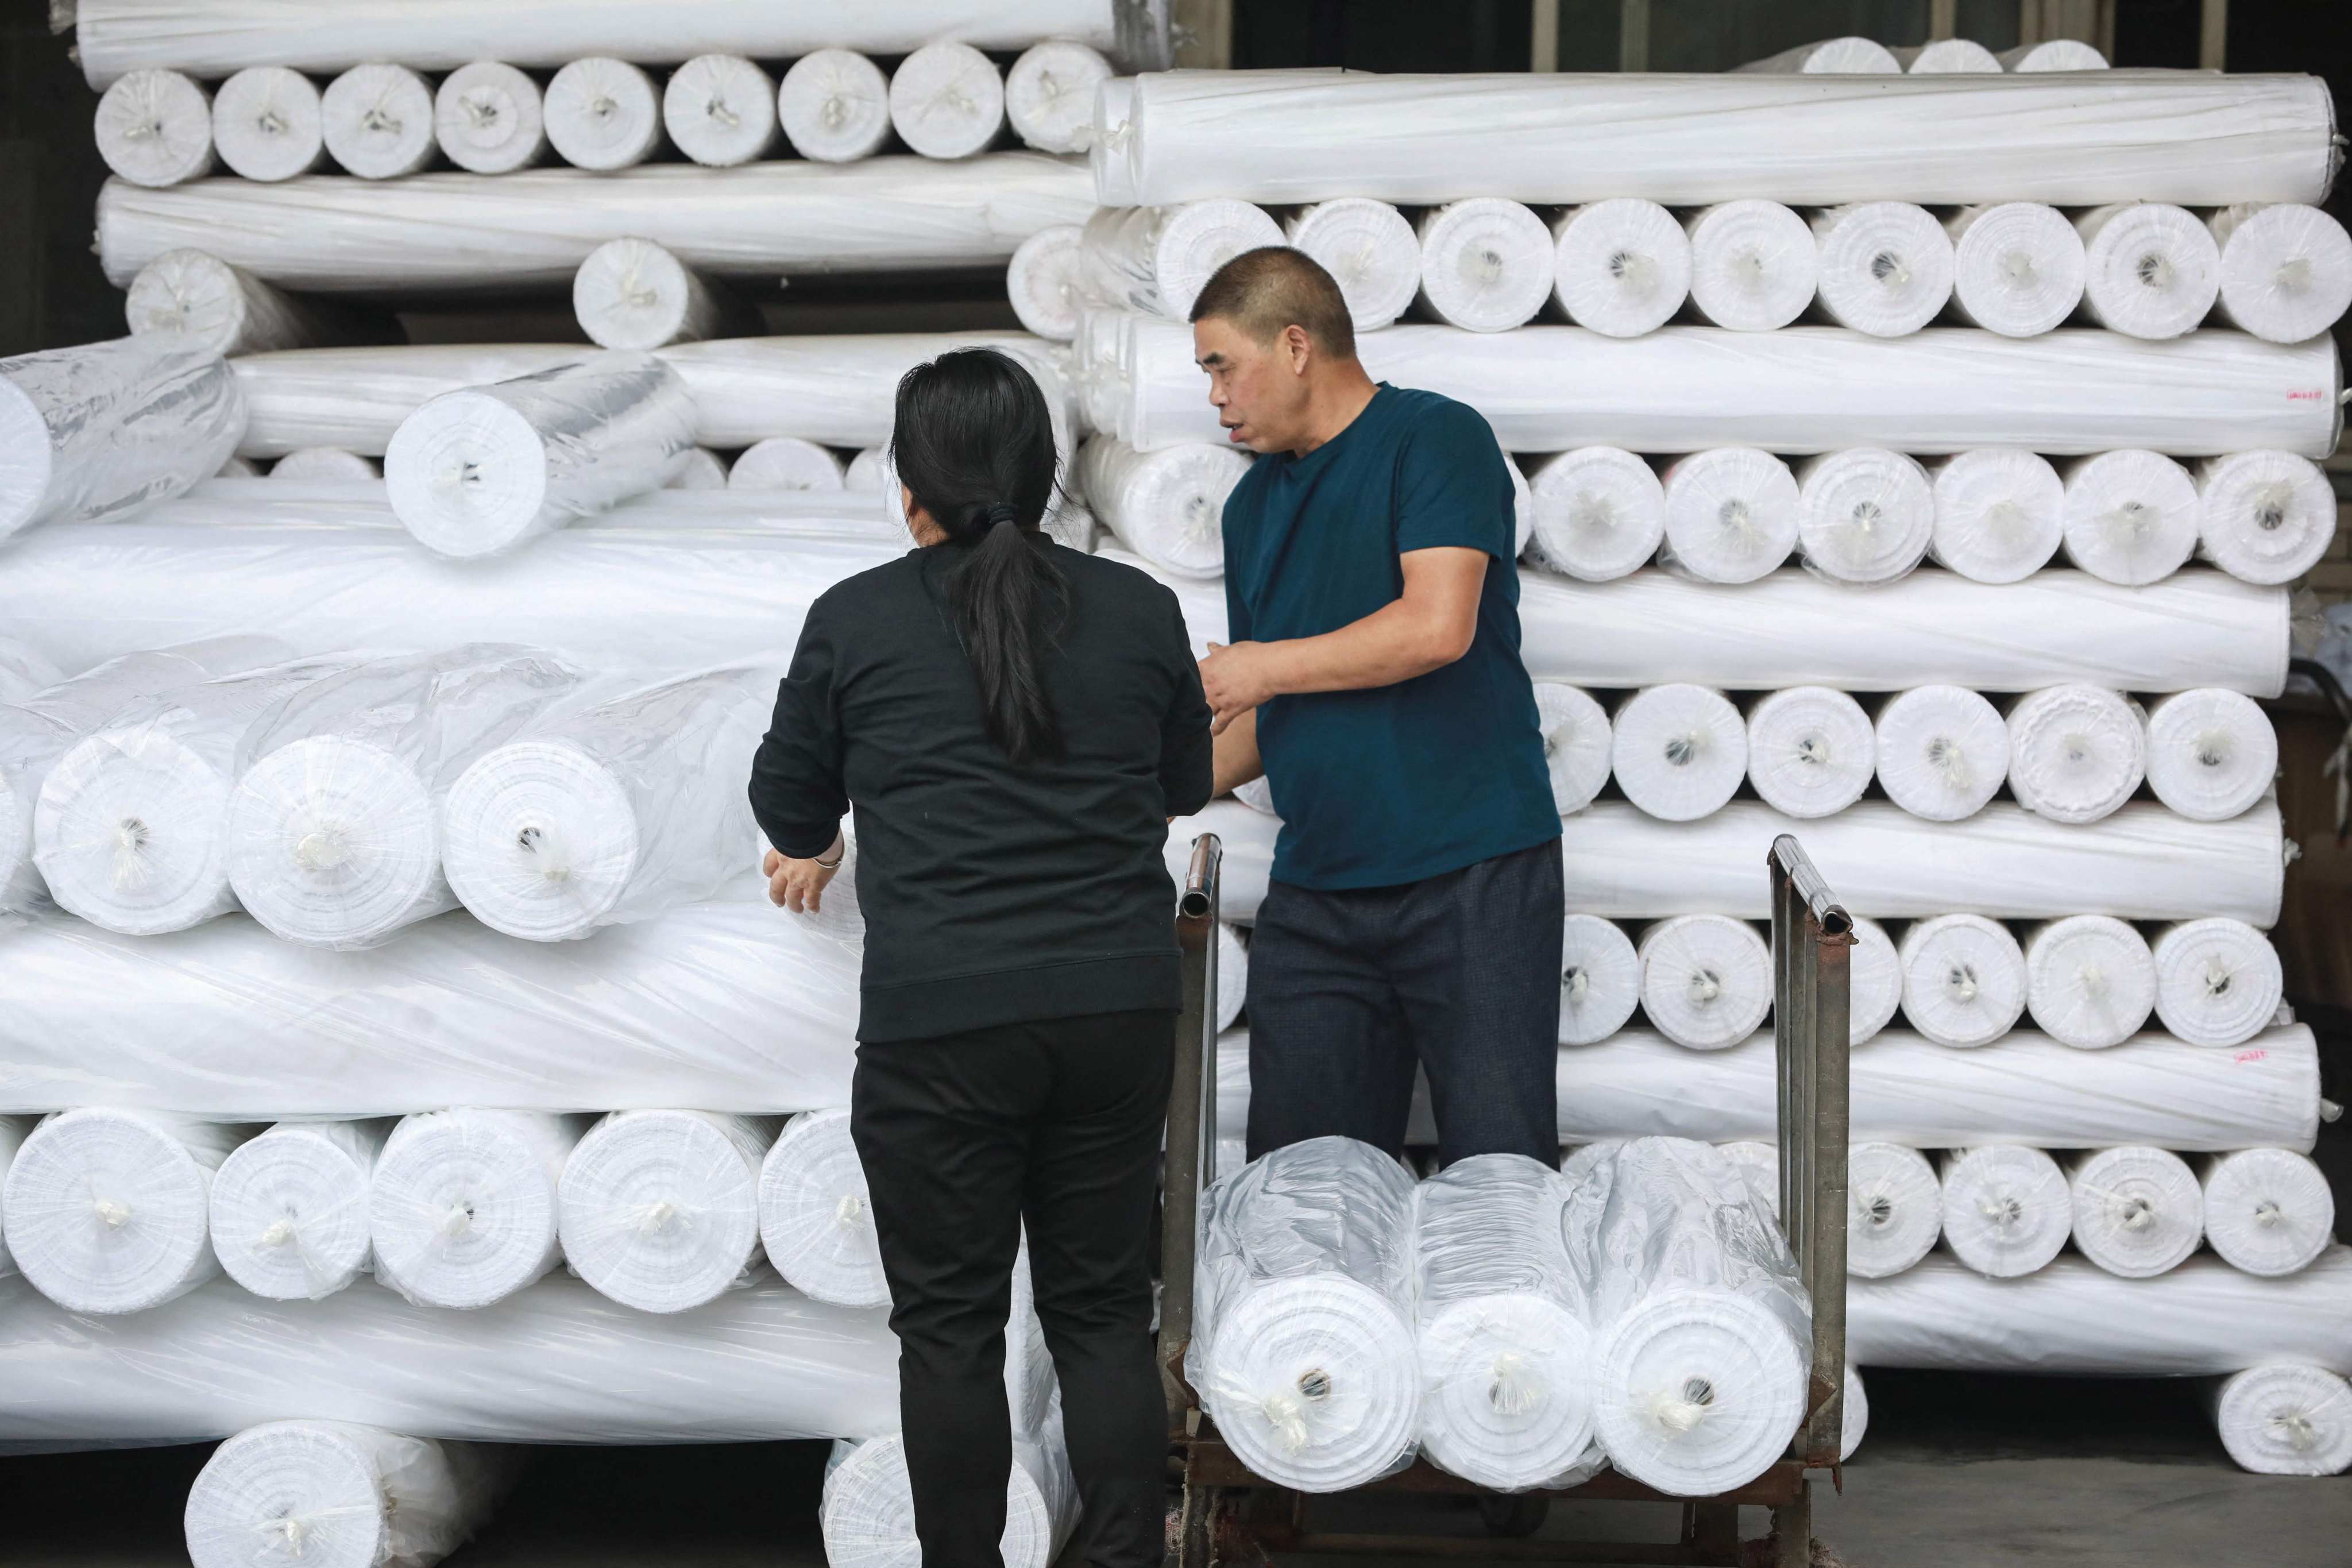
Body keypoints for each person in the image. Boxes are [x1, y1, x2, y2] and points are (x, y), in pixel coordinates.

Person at [747, 348, 1212, 1567]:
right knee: (1103, 1315)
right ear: (1048, 478)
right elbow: (1176, 785)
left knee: (950, 1329)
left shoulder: (854, 620)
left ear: (909, 486)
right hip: (1113, 1007)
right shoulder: (1139, 608)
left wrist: (817, 843)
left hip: (939, 1023)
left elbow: (786, 792)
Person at [1189, 246, 1563, 1169]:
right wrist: (1125, 788)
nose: (1214, 396)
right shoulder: (1250, 512)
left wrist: (1262, 668)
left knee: (1501, 1174)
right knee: (1302, 1194)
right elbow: (1262, 721)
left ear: (1294, 346)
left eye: (1221, 366)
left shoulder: (1434, 438)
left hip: (1471, 874)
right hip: (1321, 894)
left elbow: (1438, 627)